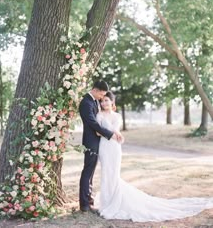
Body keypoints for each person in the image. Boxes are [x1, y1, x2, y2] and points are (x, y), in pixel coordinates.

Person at [95, 91, 213, 222]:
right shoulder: (99, 115)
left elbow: (116, 131)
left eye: (106, 100)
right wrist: (112, 133)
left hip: (115, 148)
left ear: (112, 102)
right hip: (105, 147)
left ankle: (115, 201)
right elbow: (98, 132)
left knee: (114, 174)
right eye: (102, 101)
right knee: (106, 172)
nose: (104, 103)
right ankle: (107, 202)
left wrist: (118, 135)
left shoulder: (117, 116)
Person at [79, 80, 122, 213]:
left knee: (91, 172)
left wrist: (116, 133)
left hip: (100, 142)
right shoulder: (86, 103)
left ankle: (89, 199)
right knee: (88, 171)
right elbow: (93, 124)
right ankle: (84, 204)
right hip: (91, 142)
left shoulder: (94, 101)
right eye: (101, 94)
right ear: (96, 90)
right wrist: (111, 134)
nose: (101, 98)